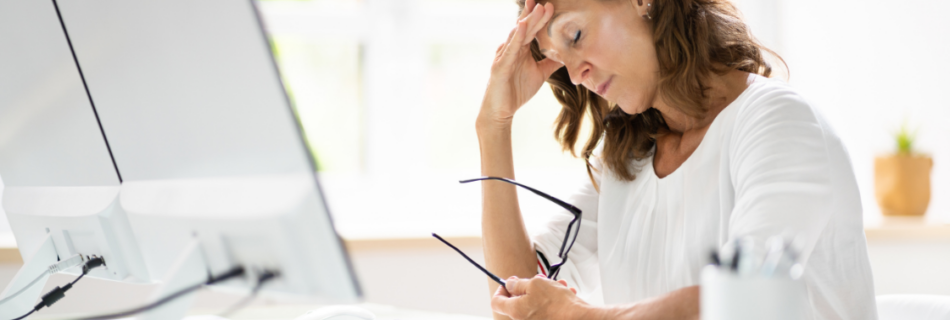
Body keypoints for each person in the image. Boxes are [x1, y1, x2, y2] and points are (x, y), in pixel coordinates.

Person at [475, 0, 877, 319]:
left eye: (575, 34)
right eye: (558, 58)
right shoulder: (626, 159)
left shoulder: (778, 123)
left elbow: (746, 301)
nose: (576, 74)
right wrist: (494, 126)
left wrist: (580, 317)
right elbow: (522, 301)